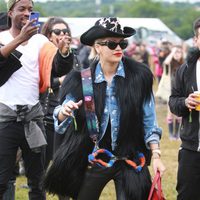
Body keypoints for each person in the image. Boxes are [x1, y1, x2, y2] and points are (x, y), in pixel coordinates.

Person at [44, 17, 165, 200]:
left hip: (130, 159)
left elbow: (149, 121)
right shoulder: (80, 80)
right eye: (111, 44)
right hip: (94, 157)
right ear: (97, 47)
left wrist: (155, 155)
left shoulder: (139, 77)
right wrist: (64, 111)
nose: (118, 48)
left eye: (121, 43)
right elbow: (59, 118)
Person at [0, 0, 73, 199]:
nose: (27, 13)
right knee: (2, 179)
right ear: (10, 12)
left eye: (30, 10)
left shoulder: (40, 41)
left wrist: (64, 52)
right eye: (21, 9)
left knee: (37, 181)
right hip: (5, 118)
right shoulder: (2, 37)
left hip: (33, 117)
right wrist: (20, 39)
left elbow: (58, 67)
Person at [40, 16, 73, 200]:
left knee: (64, 166)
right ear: (49, 35)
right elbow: (41, 82)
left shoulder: (72, 54)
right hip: (46, 115)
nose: (62, 34)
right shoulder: (43, 53)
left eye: (65, 31)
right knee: (42, 167)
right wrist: (59, 81)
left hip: (68, 115)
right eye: (57, 31)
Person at [169, 17, 200, 200]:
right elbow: (174, 101)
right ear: (196, 40)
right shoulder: (185, 70)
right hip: (191, 148)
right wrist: (184, 103)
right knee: (187, 195)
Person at [164, 45, 184, 140]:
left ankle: (178, 134)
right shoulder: (170, 64)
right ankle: (171, 134)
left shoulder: (184, 64)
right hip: (170, 91)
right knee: (170, 112)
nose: (177, 54)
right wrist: (173, 52)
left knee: (179, 113)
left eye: (179, 52)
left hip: (181, 92)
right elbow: (166, 62)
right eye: (175, 52)